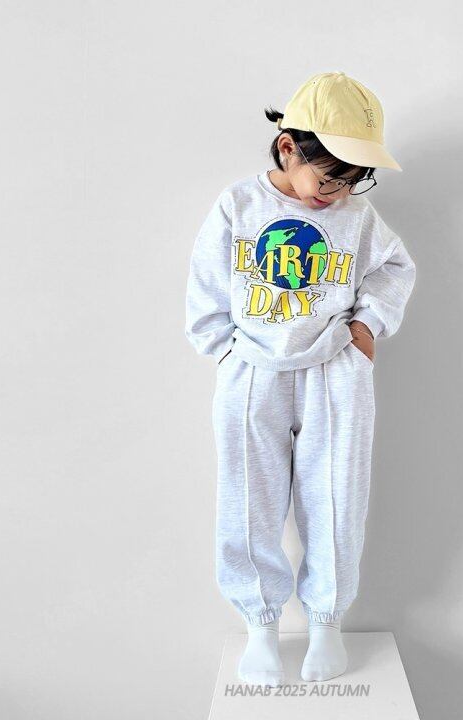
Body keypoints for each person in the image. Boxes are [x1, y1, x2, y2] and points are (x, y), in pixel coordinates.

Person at [184, 71, 416, 687]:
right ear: (289, 148)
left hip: (334, 373)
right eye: (330, 177)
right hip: (252, 372)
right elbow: (206, 281)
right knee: (247, 498)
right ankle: (261, 626)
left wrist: (367, 325)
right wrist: (223, 349)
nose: (338, 191)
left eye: (353, 179)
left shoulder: (357, 216)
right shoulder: (239, 205)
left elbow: (394, 267)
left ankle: (326, 623)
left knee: (336, 496)